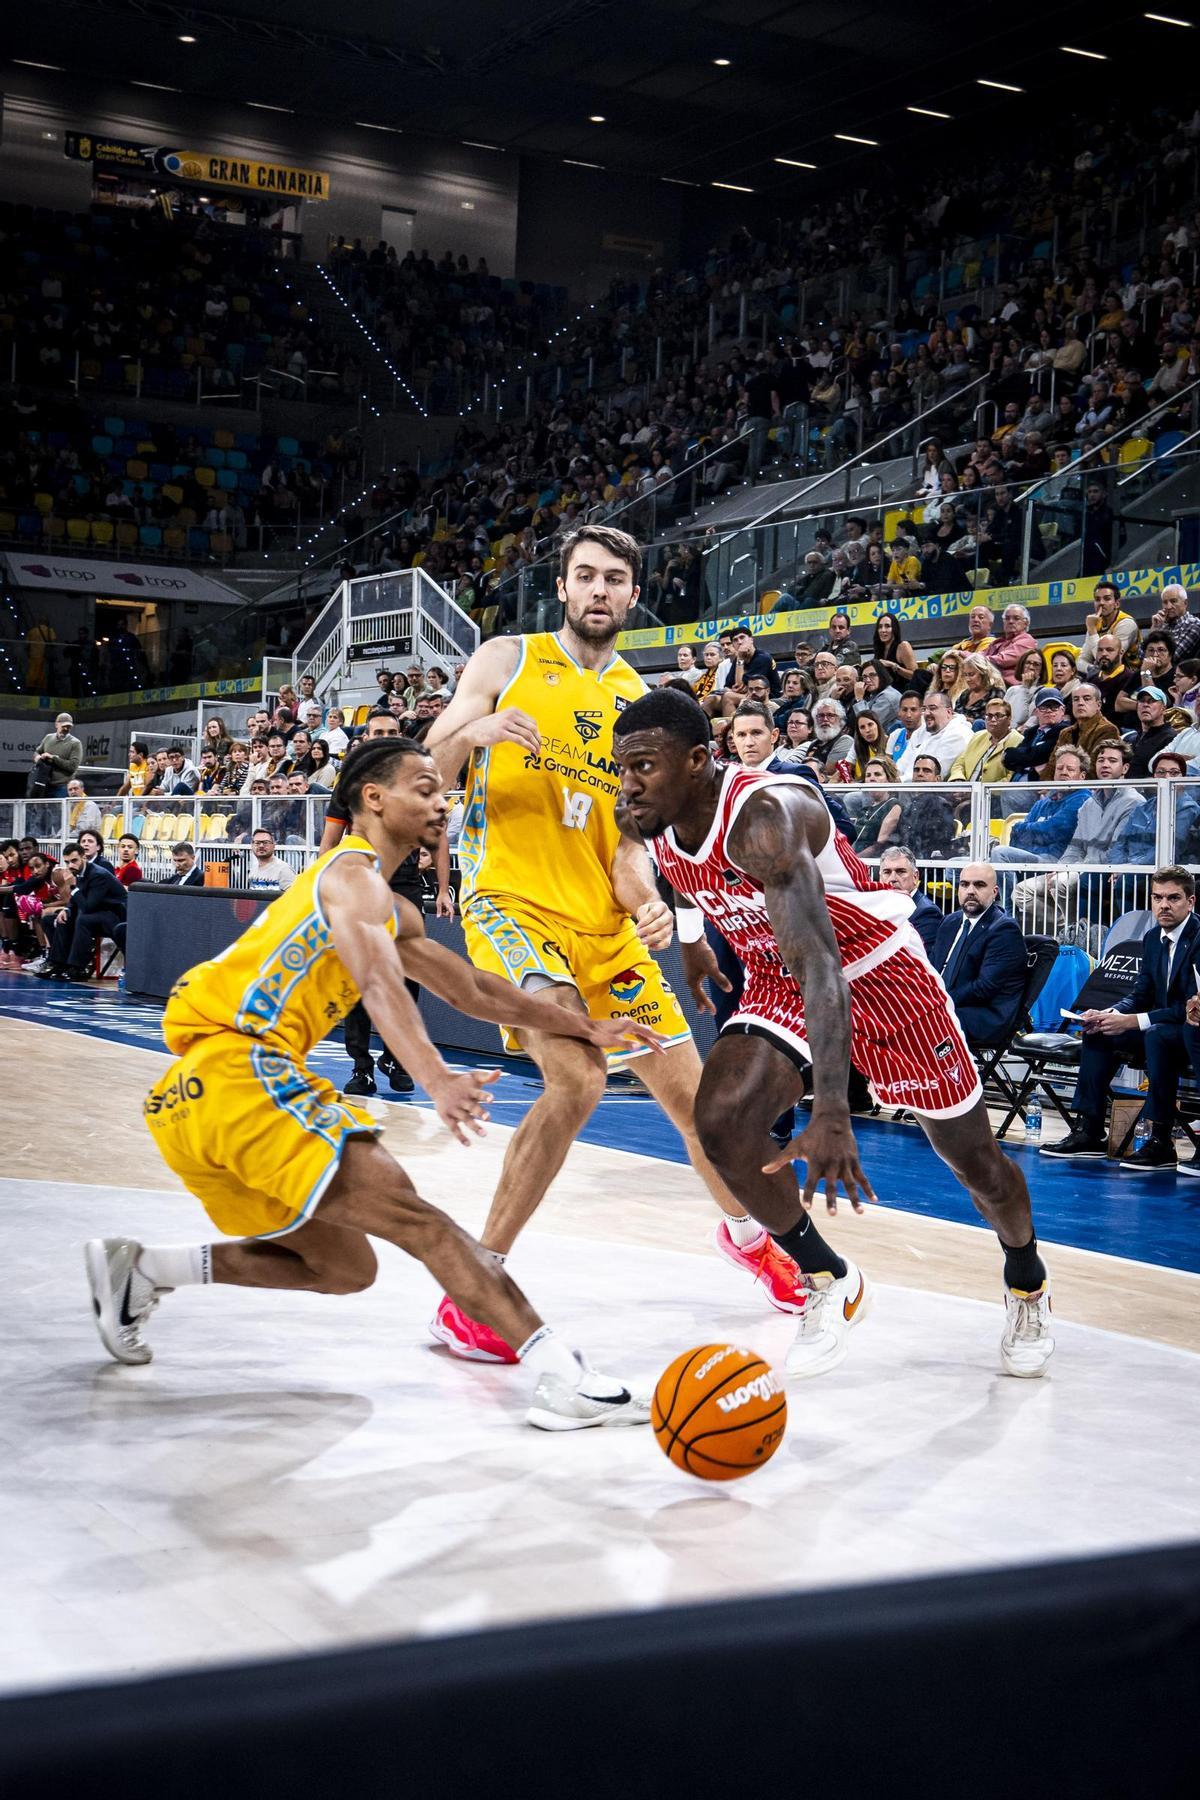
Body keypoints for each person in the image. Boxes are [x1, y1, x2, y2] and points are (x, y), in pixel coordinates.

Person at [83, 738, 656, 1431]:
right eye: (425, 788)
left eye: (443, 791)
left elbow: (473, 989)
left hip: (196, 1098)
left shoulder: (388, 904)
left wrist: (586, 1026)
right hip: (241, 1070)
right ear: (374, 799)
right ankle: (565, 1378)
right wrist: (437, 1078)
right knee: (425, 1225)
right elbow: (379, 983)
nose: (442, 802)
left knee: (341, 1267)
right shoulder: (352, 877)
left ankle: (144, 1270)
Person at [425, 524, 809, 1359]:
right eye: (585, 575)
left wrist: (651, 907)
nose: (599, 590)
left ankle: (752, 1240)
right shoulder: (506, 660)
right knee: (577, 1077)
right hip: (512, 907)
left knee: (703, 1108)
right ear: (563, 586)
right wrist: (472, 736)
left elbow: (629, 850)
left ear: (634, 595)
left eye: (614, 579)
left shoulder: (641, 706)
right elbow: (428, 768)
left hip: (603, 929)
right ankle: (474, 1291)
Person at [611, 687, 1053, 1378]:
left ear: (697, 760)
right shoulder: (649, 813)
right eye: (623, 767)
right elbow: (679, 877)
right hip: (776, 976)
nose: (629, 783)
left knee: (976, 1165)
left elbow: (823, 966)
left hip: (875, 975)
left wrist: (832, 1111)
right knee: (720, 1124)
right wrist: (693, 941)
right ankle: (829, 1278)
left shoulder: (765, 816)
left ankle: (1026, 1278)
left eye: (643, 766)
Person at [319, 711, 452, 1097]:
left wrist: (443, 890)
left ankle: (395, 1057)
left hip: (406, 886)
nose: (385, 736)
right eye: (378, 731)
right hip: (359, 885)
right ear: (366, 736)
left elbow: (439, 840)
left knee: (410, 976)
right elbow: (329, 841)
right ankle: (361, 1067)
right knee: (357, 979)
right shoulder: (350, 782)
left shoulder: (419, 781)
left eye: (392, 731)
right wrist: (323, 887)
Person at [1044, 866, 1200, 1172]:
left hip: (1186, 1030)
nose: (1163, 905)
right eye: (1157, 897)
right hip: (1158, 1024)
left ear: (1190, 901)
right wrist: (1112, 1013)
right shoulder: (1152, 937)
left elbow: (1189, 1008)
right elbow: (1141, 993)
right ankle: (1089, 1130)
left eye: (1173, 898)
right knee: (1099, 1031)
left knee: (1156, 1034)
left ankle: (1160, 1140)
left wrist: (1134, 1021)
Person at [931, 865, 1028, 1047]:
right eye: (964, 884)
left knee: (921, 1024)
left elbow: (984, 988)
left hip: (983, 1016)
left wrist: (939, 1001)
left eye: (979, 885)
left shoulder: (1004, 929)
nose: (970, 891)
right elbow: (931, 968)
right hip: (947, 1005)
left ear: (994, 892)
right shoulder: (950, 922)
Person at [35, 840, 127, 981]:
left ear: (83, 857)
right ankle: (58, 963)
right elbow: (78, 900)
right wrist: (67, 910)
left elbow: (87, 906)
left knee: (83, 919)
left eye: (74, 861)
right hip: (97, 911)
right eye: (67, 862)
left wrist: (73, 886)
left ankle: (77, 968)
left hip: (114, 916)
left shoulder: (98, 875)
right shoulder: (78, 872)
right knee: (52, 919)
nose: (70, 865)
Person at [878, 846, 943, 955]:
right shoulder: (877, 907)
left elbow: (919, 958)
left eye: (900, 872)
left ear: (915, 876)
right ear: (880, 877)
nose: (892, 879)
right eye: (887, 872)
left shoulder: (927, 912)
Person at [896, 690, 972, 779]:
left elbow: (931, 774)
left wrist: (898, 782)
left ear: (949, 712)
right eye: (924, 709)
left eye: (932, 708)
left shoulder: (958, 734)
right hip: (905, 785)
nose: (926, 713)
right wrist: (891, 778)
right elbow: (901, 765)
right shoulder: (920, 732)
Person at [1002, 687, 1071, 781]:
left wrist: (1020, 758)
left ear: (1062, 710)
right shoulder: (1030, 732)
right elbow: (1009, 761)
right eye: (1043, 707)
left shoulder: (1065, 731)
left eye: (1054, 707)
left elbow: (1040, 754)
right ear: (1036, 712)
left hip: (1038, 784)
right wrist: (1029, 760)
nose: (1049, 711)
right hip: (1017, 781)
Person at [949, 696, 1020, 783]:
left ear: (1009, 719)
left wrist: (985, 790)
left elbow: (1012, 777)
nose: (993, 719)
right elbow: (959, 764)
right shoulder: (977, 736)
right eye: (989, 716)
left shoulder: (1019, 742)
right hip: (965, 789)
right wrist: (958, 780)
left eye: (998, 716)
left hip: (994, 791)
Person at [30, 713, 82, 799]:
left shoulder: (75, 743)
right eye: (64, 726)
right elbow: (37, 752)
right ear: (56, 725)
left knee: (61, 808)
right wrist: (38, 758)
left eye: (69, 727)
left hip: (62, 787)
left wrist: (53, 758)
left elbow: (73, 767)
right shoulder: (48, 738)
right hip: (44, 785)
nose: (66, 729)